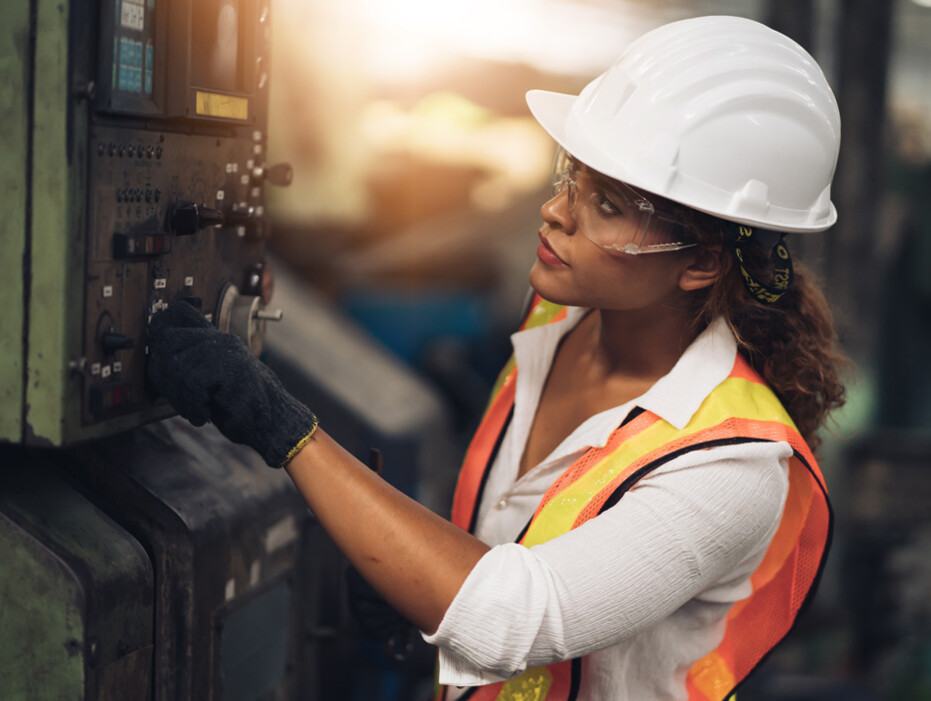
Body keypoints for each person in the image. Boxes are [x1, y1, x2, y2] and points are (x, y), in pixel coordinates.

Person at [147, 15, 847, 701]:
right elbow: (514, 552)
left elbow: (510, 618)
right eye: (573, 174)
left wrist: (283, 427)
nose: (556, 211)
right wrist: (417, 583)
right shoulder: (560, 318)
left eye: (607, 205)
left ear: (699, 262)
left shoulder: (732, 464)